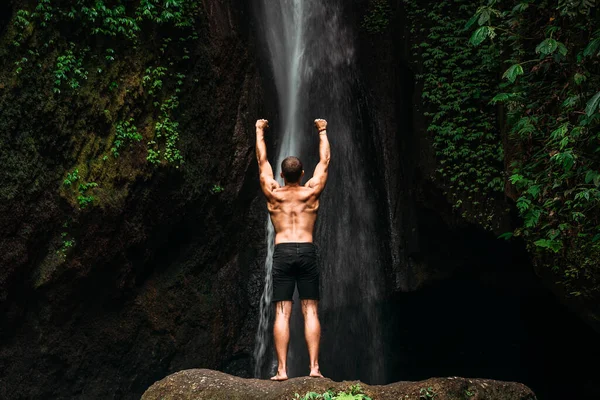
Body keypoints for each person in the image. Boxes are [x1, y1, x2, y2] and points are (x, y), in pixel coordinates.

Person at [255, 118, 330, 381]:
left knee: (282, 311)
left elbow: (262, 163)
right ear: (302, 174)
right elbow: (325, 162)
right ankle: (314, 368)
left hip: (283, 251)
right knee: (310, 309)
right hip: (307, 250)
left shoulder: (273, 192)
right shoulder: (312, 191)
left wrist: (259, 131)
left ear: (282, 175)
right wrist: (322, 131)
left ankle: (282, 370)